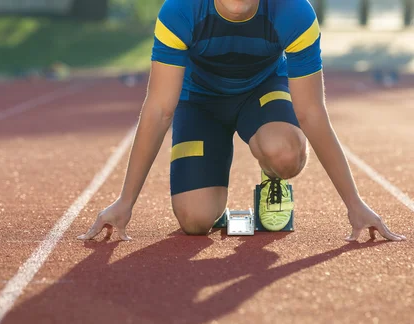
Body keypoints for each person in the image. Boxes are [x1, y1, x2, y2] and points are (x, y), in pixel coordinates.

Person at [79, 0, 405, 242]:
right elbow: (159, 109)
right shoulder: (180, 11)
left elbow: (312, 112)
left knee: (286, 154)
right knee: (195, 221)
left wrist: (354, 203)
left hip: (262, 93)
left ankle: (272, 178)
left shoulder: (294, 13)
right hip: (200, 103)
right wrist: (126, 201)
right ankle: (213, 199)